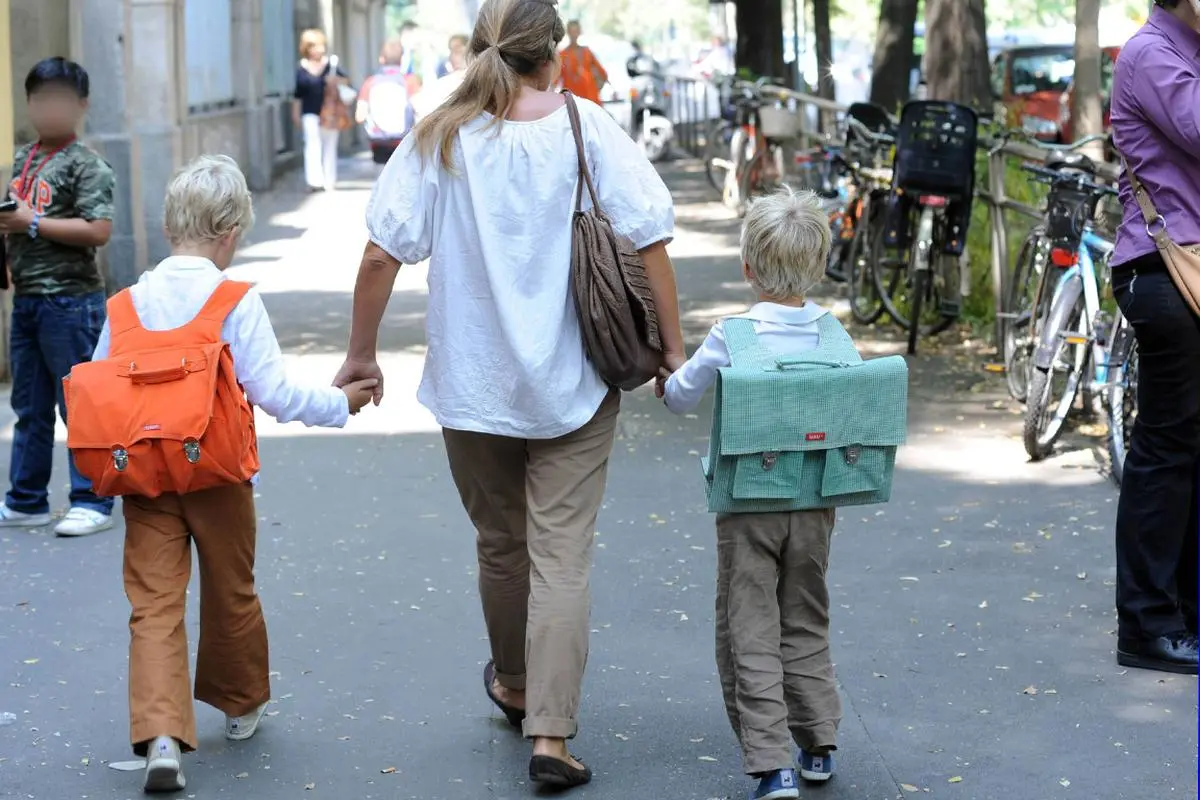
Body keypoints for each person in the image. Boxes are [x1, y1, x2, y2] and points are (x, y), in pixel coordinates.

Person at [333, 0, 683, 788]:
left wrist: (362, 357)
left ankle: (516, 684)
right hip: (578, 383)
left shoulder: (442, 136)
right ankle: (550, 739)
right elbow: (652, 236)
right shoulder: (587, 129)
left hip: (473, 387)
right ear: (552, 52)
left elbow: (381, 255)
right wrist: (672, 350)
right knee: (562, 558)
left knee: (501, 546)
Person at [87, 155, 376, 792]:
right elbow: (271, 391)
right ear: (231, 232)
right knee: (232, 589)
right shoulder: (234, 300)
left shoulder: (125, 305)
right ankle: (240, 703)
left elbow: (98, 387)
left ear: (169, 228)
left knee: (154, 604)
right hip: (217, 473)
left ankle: (162, 735)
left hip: (146, 478)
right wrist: (342, 405)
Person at [661, 188, 841, 800]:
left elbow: (682, 395)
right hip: (816, 501)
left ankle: (772, 762)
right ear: (818, 265)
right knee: (806, 615)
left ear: (747, 268)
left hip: (748, 505)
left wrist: (668, 376)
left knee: (748, 626)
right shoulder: (834, 335)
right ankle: (818, 741)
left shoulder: (733, 334)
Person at [1107, 0, 1200, 675]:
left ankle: (1183, 610)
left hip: (1186, 268)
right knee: (1168, 445)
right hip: (1164, 270)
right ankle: (1146, 623)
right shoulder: (1151, 53)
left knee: (1188, 446)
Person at [0, 57, 116, 537]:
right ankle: (26, 499)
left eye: (59, 99)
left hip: (71, 303)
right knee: (29, 406)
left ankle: (93, 500)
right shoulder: (24, 158)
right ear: (28, 103)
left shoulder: (87, 164)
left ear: (81, 105)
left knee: (79, 406)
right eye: (40, 99)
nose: (48, 108)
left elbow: (99, 230)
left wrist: (31, 222)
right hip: (26, 301)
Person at [293, 29, 349, 192]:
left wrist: (334, 80)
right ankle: (314, 181)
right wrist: (295, 113)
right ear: (307, 48)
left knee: (330, 145)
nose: (319, 49)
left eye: (321, 45)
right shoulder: (301, 67)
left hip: (329, 112)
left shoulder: (331, 65)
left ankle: (329, 180)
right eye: (315, 46)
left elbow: (347, 81)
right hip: (309, 111)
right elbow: (298, 93)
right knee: (312, 145)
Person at [357, 38, 423, 164]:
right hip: (404, 141)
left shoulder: (370, 82)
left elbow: (360, 116)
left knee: (381, 179)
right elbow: (420, 111)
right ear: (402, 59)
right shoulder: (410, 81)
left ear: (381, 59)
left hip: (378, 142)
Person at [559, 19, 608, 104]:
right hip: (573, 103)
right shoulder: (562, 55)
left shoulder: (587, 52)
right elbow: (555, 80)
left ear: (579, 32)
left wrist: (596, 87)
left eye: (576, 31)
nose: (574, 34)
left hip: (591, 99)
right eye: (571, 31)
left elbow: (603, 75)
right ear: (568, 33)